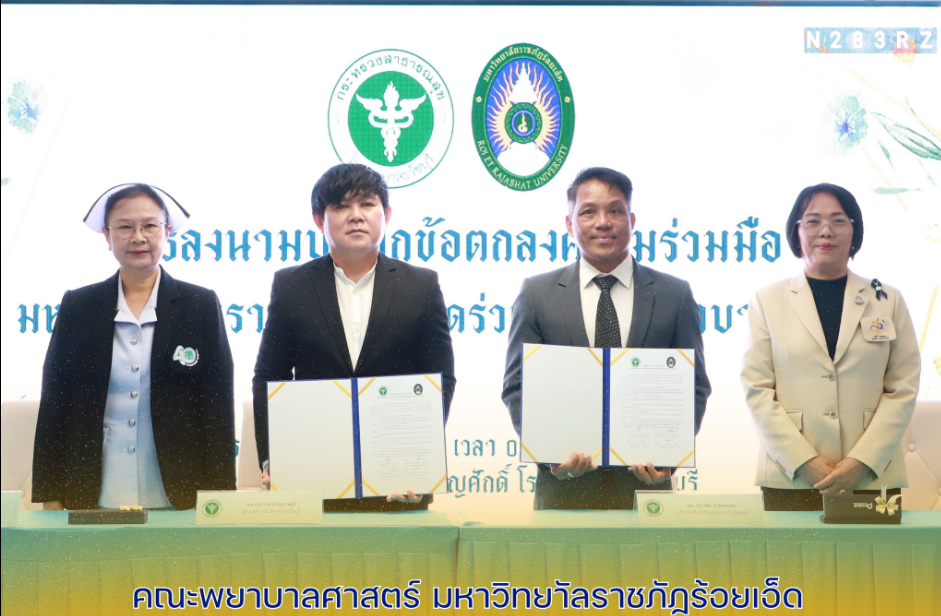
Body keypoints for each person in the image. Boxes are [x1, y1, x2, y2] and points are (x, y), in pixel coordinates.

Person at [502, 167, 711, 510]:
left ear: (631, 220)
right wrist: (549, 455)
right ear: (570, 224)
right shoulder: (536, 294)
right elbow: (517, 387)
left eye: (615, 210)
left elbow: (695, 386)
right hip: (564, 495)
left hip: (647, 496)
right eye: (588, 212)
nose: (603, 222)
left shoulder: (674, 295)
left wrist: (669, 459)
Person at [253, 163, 456, 512]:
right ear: (319, 220)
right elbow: (269, 377)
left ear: (386, 215)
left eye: (367, 204)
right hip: (314, 478)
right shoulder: (291, 286)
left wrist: (419, 459)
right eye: (341, 206)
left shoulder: (421, 285)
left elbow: (440, 378)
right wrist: (275, 458)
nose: (356, 216)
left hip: (398, 483)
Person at [32, 183, 236, 510]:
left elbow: (217, 407)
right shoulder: (79, 306)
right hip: (93, 493)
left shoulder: (200, 304)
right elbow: (56, 402)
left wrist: (221, 496)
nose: (138, 237)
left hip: (180, 494)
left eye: (149, 225)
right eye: (125, 227)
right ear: (107, 235)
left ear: (167, 231)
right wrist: (49, 494)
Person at [741, 183, 920, 511]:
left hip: (871, 476)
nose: (826, 230)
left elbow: (903, 387)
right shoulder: (767, 301)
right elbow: (757, 389)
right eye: (812, 221)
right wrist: (802, 461)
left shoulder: (887, 299)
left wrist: (863, 461)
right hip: (791, 476)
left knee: (873, 549)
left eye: (838, 220)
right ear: (796, 231)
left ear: (854, 230)